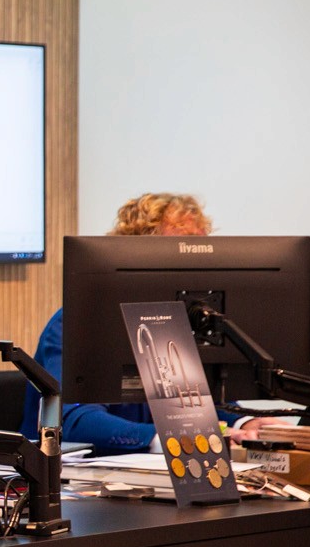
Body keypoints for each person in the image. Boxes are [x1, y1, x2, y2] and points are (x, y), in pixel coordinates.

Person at [21, 193, 211, 453]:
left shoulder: (179, 323)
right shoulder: (78, 324)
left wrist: (246, 424)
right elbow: (73, 420)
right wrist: (159, 439)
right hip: (81, 472)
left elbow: (203, 404)